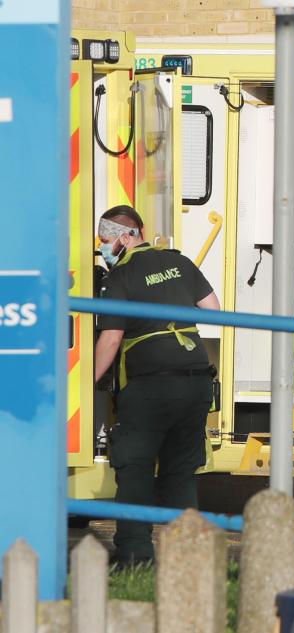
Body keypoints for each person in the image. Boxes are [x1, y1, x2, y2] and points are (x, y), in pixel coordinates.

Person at [93, 205, 220, 567]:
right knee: (180, 472)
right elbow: (214, 309)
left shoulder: (119, 278)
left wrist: (88, 384)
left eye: (105, 241)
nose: (104, 249)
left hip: (151, 387)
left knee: (134, 467)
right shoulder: (178, 262)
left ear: (121, 237)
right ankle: (189, 557)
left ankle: (135, 555)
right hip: (196, 380)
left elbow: (111, 341)